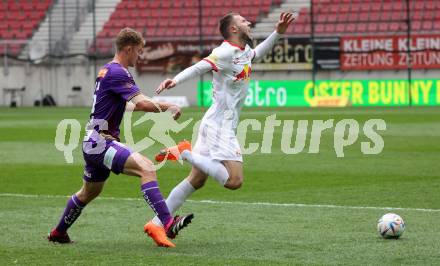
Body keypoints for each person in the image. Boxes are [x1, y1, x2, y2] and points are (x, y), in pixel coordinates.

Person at [47, 28, 193, 248]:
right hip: (101, 141)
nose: (140, 56)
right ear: (129, 49)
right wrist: (169, 106)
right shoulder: (119, 72)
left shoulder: (106, 70)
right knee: (146, 168)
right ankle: (168, 222)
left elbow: (123, 104)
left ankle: (59, 232)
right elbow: (142, 103)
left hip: (92, 141)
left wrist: (149, 108)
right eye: (139, 51)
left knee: (89, 191)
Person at [150, 12, 295, 227]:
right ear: (234, 29)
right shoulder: (223, 52)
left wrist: (277, 33)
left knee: (197, 180)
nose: (249, 23)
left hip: (217, 122)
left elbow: (255, 55)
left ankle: (156, 223)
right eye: (244, 21)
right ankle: (184, 152)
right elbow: (200, 66)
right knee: (234, 180)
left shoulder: (243, 50)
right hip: (219, 125)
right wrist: (176, 80)